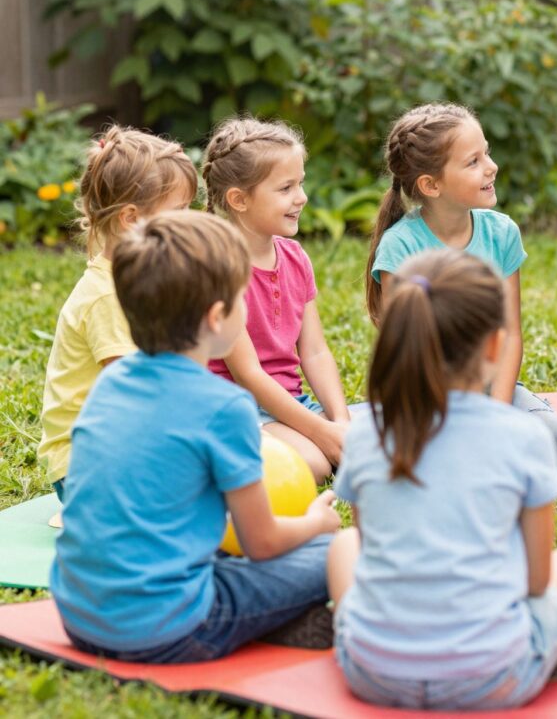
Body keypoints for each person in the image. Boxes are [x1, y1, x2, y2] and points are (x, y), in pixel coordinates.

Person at [50, 211, 340, 662]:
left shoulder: (112, 380)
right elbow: (261, 544)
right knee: (340, 548)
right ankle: (280, 622)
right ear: (218, 317)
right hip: (170, 629)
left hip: (79, 616)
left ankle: (275, 620)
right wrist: (316, 525)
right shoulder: (225, 408)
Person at [328, 249, 557, 710]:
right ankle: (544, 649)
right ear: (494, 346)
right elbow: (536, 583)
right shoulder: (523, 436)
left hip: (373, 673)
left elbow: (370, 545)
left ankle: (357, 634)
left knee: (342, 548)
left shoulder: (366, 434)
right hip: (493, 678)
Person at [365, 103, 557, 461]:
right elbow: (404, 353)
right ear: (431, 184)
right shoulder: (400, 247)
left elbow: (509, 335)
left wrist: (495, 414)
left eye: (486, 153)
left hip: (490, 387)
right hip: (424, 392)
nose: (491, 167)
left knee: (553, 440)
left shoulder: (501, 233)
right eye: (473, 162)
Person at [39, 125, 196, 502]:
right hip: (87, 468)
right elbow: (139, 392)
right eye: (179, 211)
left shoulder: (138, 279)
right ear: (130, 218)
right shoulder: (107, 296)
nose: (191, 222)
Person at [202, 116, 350, 481]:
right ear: (239, 199)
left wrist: (341, 422)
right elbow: (247, 374)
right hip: (235, 410)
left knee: (378, 435)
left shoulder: (296, 256)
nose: (301, 197)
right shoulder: (221, 267)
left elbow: (314, 351)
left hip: (289, 404)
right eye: (285, 188)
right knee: (314, 464)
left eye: (300, 183)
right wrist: (321, 432)